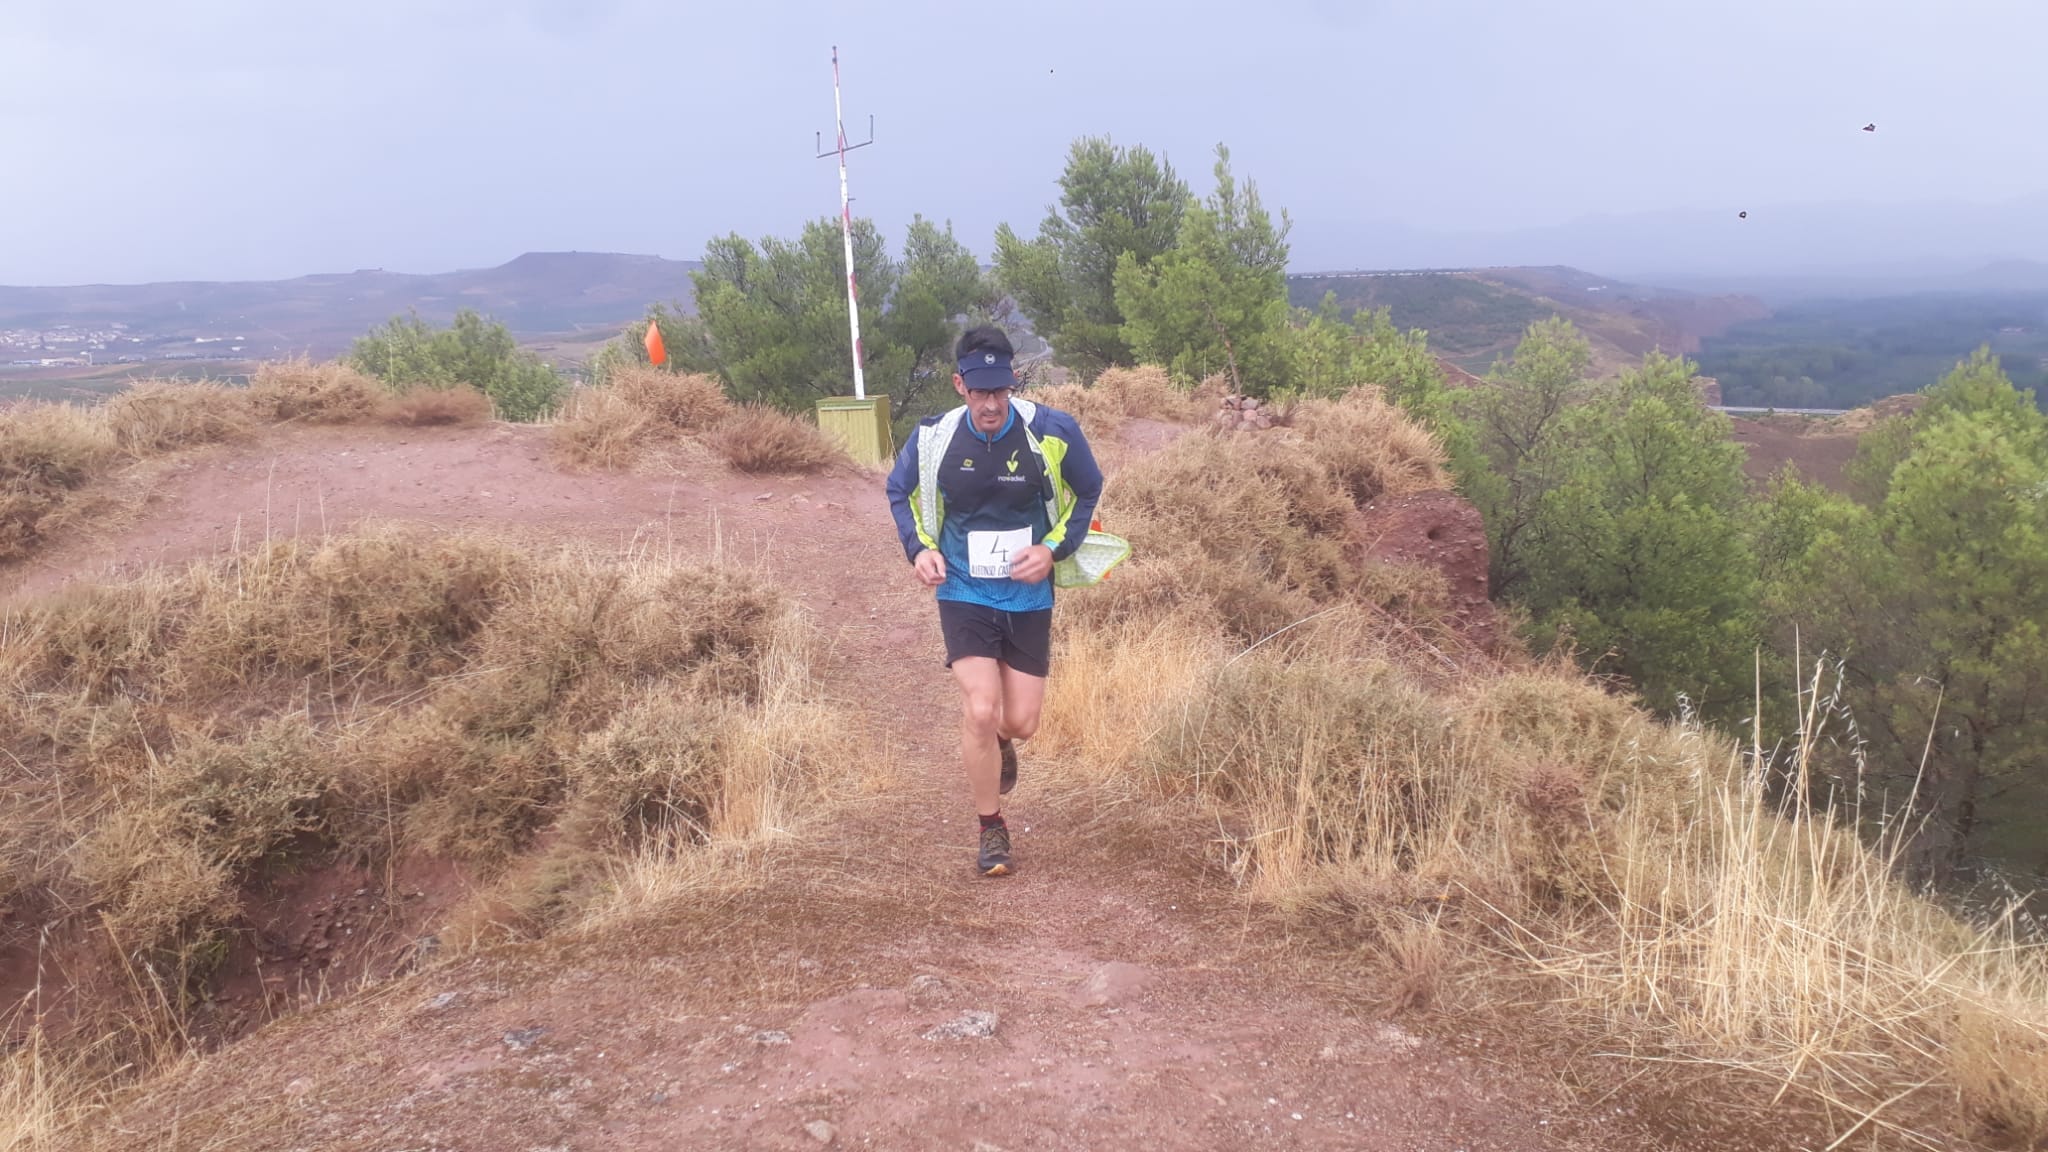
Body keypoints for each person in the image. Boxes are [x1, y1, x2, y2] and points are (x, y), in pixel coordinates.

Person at [885, 325, 1104, 876]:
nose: (991, 403)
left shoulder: (1051, 430)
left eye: (1000, 391)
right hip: (962, 588)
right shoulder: (934, 437)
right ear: (960, 385)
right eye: (980, 391)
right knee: (980, 710)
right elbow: (899, 490)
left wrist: (1053, 549)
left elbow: (1089, 489)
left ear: (1012, 385)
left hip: (1028, 594)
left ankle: (1004, 741)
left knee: (1022, 722)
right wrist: (919, 549)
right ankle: (991, 829)